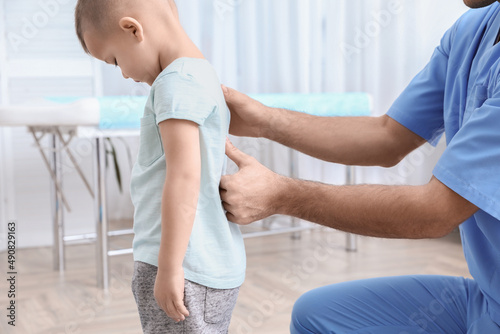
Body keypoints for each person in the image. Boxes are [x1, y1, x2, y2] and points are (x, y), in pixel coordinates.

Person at [219, 0, 500, 333]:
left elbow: (434, 211)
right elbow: (388, 137)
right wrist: (264, 120)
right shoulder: (474, 28)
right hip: (488, 299)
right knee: (317, 315)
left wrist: (283, 196)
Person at [74, 0, 246, 333]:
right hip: (203, 262)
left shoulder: (174, 83)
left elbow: (183, 177)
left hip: (181, 263)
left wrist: (168, 267)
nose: (123, 73)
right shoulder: (202, 73)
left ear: (133, 29)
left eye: (114, 60)